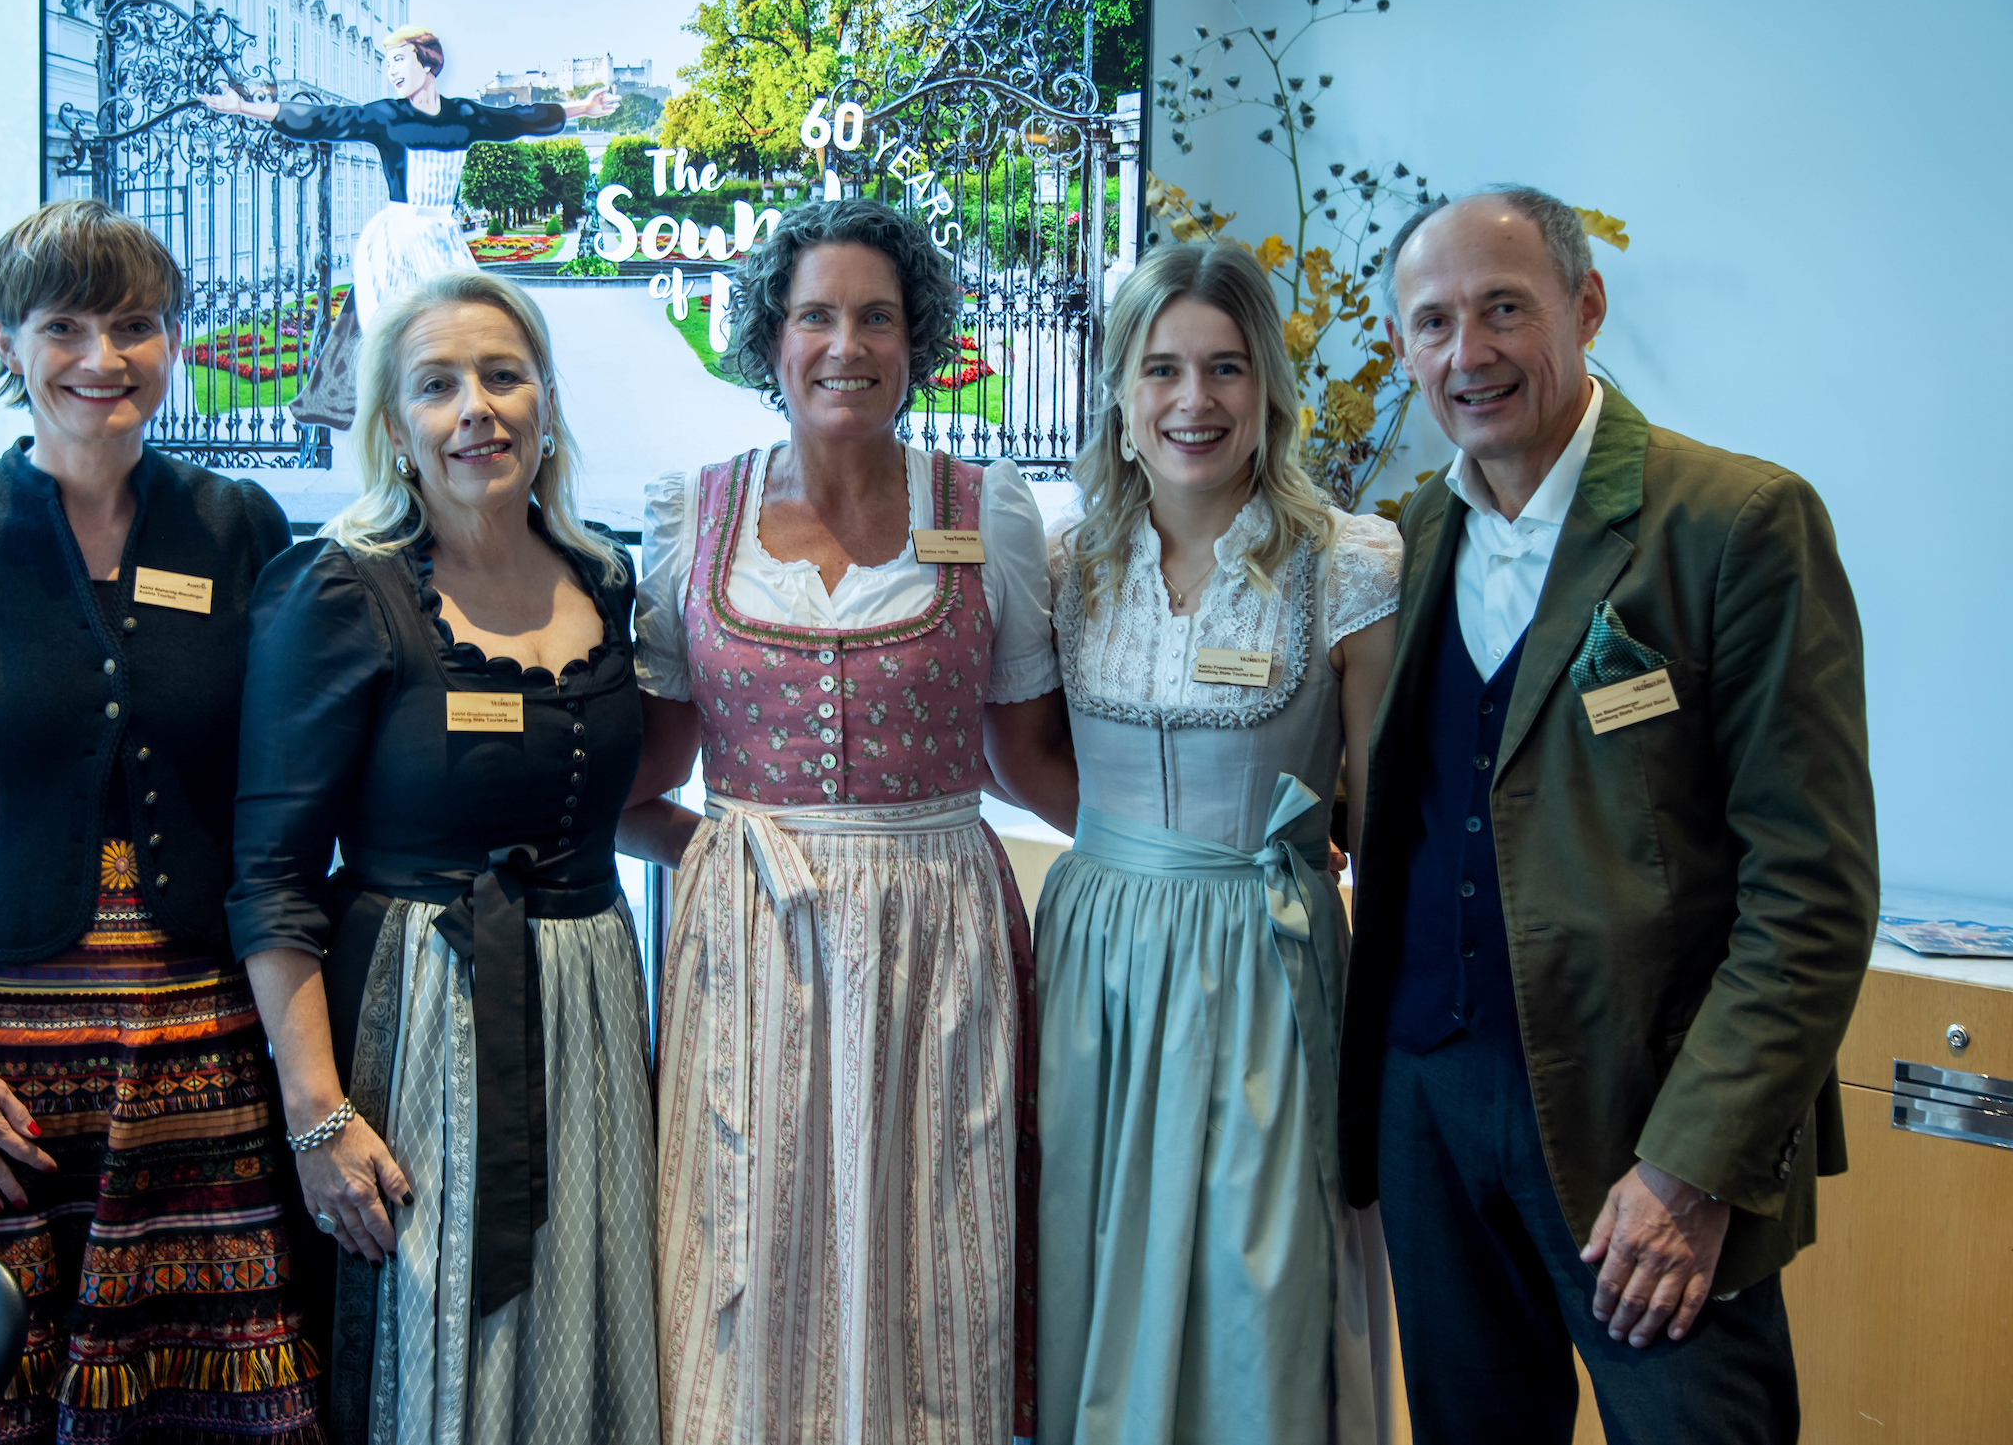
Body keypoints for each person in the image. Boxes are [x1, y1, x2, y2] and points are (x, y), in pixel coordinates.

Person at [1342, 187, 1877, 1442]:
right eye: (1433, 323)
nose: (1468, 353)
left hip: (1641, 1124)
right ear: (1404, 348)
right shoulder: (1404, 539)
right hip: (1427, 1107)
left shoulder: (1736, 523)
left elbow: (1811, 892)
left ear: (1585, 306)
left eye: (1504, 308)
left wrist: (1693, 1164)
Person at [0, 200, 313, 1443]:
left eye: (135, 324)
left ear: (172, 338)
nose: (104, 357)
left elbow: (288, 793)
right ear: (7, 342)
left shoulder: (239, 528)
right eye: (65, 326)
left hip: (198, 1068)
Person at [623, 197, 1071, 1444]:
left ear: (915, 340)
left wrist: (1196, 851)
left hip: (938, 935)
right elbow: (648, 770)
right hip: (752, 939)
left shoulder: (988, 509)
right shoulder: (694, 513)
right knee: (748, 1239)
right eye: (815, 314)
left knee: (932, 1246)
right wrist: (715, 847)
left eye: (878, 317)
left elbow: (1027, 754)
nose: (847, 344)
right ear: (770, 338)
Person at [226, 270, 659, 1443]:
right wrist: (318, 1115)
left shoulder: (605, 576)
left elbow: (624, 796)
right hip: (418, 1013)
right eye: (438, 385)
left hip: (589, 1010)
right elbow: (270, 876)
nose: (477, 408)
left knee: (586, 1326)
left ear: (546, 401)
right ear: (394, 424)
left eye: (503, 375)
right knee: (431, 1341)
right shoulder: (341, 588)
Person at [1032, 240, 1402, 1444]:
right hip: (1097, 958)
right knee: (1094, 1249)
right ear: (1120, 392)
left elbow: (1381, 813)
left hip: (1266, 961)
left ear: (1268, 388)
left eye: (1226, 367)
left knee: (1259, 1279)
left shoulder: (1347, 561)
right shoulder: (1065, 563)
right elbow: (1020, 753)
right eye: (1163, 368)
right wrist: (1139, 861)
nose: (1194, 399)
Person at [200, 25, 617, 429]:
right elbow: (324, 119)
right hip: (398, 238)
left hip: (442, 235)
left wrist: (583, 108)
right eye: (387, 63)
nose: (392, 71)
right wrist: (244, 107)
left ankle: (457, 413)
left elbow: (518, 119)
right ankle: (397, 423)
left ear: (427, 63)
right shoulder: (386, 117)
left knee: (466, 325)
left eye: (399, 60)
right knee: (397, 334)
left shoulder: (463, 115)